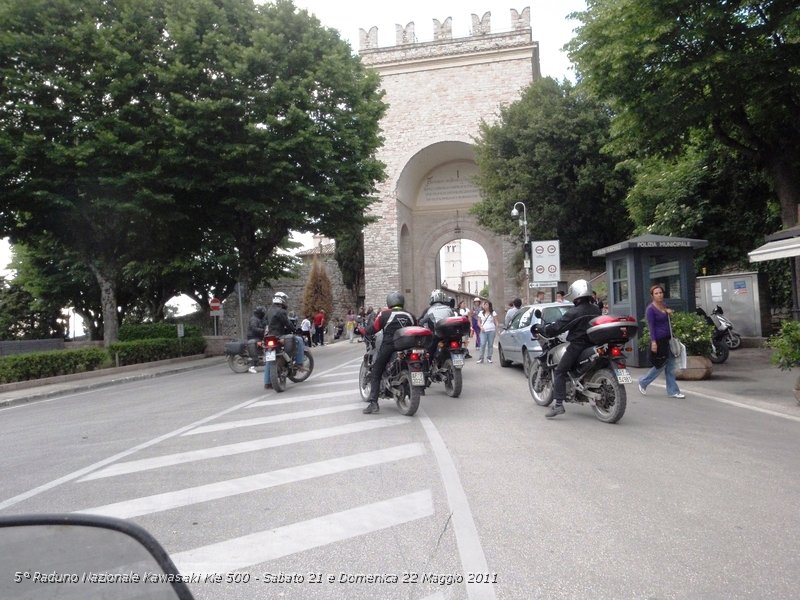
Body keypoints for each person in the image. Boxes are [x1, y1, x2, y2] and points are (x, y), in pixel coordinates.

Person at [532, 279, 601, 418]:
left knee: (559, 371)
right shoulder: (596, 309)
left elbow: (557, 328)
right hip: (594, 343)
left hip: (578, 345)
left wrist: (542, 329)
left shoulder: (575, 312)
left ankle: (558, 405)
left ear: (575, 293)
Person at [360, 291, 416, 414]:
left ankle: (373, 403)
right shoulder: (410, 315)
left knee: (376, 371)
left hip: (390, 346)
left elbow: (374, 328)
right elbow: (417, 327)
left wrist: (363, 331)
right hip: (408, 346)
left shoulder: (385, 314)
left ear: (389, 302)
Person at [637, 284, 686, 399]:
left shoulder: (664, 306)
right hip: (659, 340)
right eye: (656, 293)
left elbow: (667, 321)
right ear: (652, 296)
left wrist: (669, 313)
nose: (659, 295)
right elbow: (651, 326)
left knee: (670, 365)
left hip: (669, 339)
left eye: (660, 293)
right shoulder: (650, 309)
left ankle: (673, 391)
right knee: (660, 365)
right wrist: (654, 342)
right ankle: (643, 382)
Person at [263, 292, 306, 390]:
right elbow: (287, 323)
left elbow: (265, 323)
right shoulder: (281, 311)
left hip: (269, 337)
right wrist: (295, 330)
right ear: (282, 300)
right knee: (298, 340)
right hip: (279, 336)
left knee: (269, 360)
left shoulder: (268, 311)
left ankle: (267, 383)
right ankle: (299, 363)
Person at [246, 305, 267, 374]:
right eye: (262, 312)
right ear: (259, 313)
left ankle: (264, 359)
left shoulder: (259, 319)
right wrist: (263, 331)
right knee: (259, 345)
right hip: (253, 337)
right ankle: (252, 366)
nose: (263, 314)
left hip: (258, 337)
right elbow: (254, 328)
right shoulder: (254, 319)